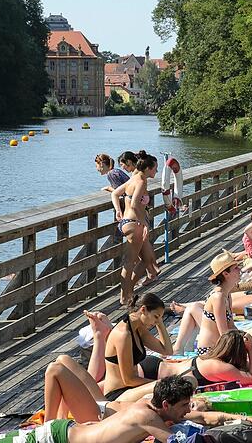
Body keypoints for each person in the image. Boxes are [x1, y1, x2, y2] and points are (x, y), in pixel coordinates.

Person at [0, 376, 199, 443]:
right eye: (184, 405)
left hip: (61, 432)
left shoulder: (146, 408)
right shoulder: (148, 416)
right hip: (56, 438)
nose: (188, 410)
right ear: (167, 405)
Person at [102, 293, 172, 402]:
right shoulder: (123, 334)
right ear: (143, 310)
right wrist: (160, 382)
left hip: (132, 388)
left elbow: (167, 350)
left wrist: (160, 323)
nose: (156, 321)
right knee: (168, 389)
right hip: (118, 393)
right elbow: (128, 379)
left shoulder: (138, 327)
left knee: (174, 386)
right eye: (156, 316)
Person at [111, 151, 160, 303]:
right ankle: (125, 297)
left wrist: (119, 211)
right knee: (129, 262)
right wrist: (144, 223)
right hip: (135, 224)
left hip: (127, 222)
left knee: (147, 259)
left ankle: (129, 291)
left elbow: (115, 194)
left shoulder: (134, 179)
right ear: (148, 168)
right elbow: (134, 204)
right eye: (155, 168)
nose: (156, 171)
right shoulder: (141, 181)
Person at [193, 250, 241, 355]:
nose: (240, 269)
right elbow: (224, 333)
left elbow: (231, 325)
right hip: (210, 351)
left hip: (220, 347)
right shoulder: (218, 297)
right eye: (236, 268)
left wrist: (245, 337)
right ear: (226, 274)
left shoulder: (227, 294)